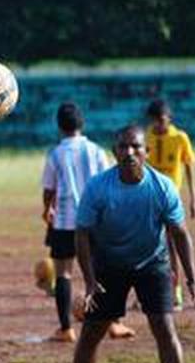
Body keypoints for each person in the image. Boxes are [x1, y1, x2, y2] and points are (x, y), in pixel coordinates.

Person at [49, 125, 195, 363]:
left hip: (152, 263)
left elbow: (179, 233)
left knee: (163, 327)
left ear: (146, 152)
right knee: (93, 330)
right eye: (123, 147)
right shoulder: (98, 187)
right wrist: (91, 280)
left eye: (136, 147)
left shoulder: (162, 187)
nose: (129, 153)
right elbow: (82, 234)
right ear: (115, 152)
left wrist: (192, 280)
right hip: (109, 264)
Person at [39, 103, 135, 342]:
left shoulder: (56, 153)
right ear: (82, 124)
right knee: (103, 272)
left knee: (64, 274)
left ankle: (66, 329)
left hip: (64, 222)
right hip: (95, 221)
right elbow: (109, 184)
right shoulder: (96, 151)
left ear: (59, 126)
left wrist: (47, 208)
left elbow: (49, 189)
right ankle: (113, 323)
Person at [145, 99, 195, 310]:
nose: (158, 125)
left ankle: (174, 292)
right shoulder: (146, 137)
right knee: (148, 245)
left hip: (170, 200)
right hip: (149, 198)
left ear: (169, 119)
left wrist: (194, 198)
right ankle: (148, 291)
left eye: (161, 120)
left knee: (171, 245)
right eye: (154, 121)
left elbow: (189, 167)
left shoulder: (179, 138)